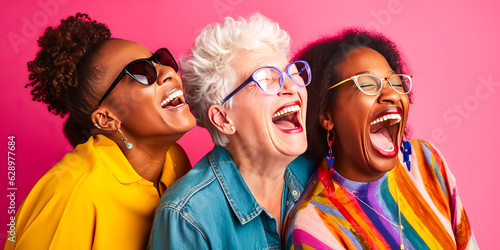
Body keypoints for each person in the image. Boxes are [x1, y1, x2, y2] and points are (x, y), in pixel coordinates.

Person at [5, 13, 196, 250]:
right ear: (107, 119)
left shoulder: (175, 160)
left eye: (160, 59)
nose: (167, 71)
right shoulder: (71, 193)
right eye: (141, 72)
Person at [284, 29, 478, 249]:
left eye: (395, 82)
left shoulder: (426, 161)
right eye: (367, 84)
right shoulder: (315, 227)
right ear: (326, 114)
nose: (393, 94)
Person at [148, 13, 315, 249]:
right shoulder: (188, 216)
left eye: (291, 72)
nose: (291, 86)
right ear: (223, 119)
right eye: (266, 78)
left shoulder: (314, 173)